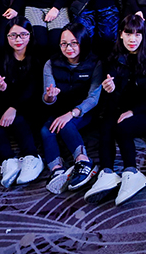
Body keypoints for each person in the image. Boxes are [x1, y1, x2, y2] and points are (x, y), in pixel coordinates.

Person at [84, 15, 146, 205]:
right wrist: (110, 90)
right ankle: (107, 172)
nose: (133, 39)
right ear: (121, 34)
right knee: (106, 124)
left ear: (143, 36)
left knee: (122, 127)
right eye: (128, 33)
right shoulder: (112, 57)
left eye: (138, 34)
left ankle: (131, 171)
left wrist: (133, 111)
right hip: (121, 107)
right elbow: (114, 95)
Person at [42, 25, 104, 194]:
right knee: (46, 130)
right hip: (59, 109)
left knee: (66, 124)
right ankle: (57, 169)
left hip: (83, 111)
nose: (68, 48)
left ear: (82, 42)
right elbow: (47, 97)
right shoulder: (51, 63)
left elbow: (94, 98)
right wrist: (50, 96)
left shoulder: (95, 63)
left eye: (74, 43)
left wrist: (72, 113)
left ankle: (83, 160)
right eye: (64, 44)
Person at [0, 19, 44, 189]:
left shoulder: (38, 57)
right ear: (7, 37)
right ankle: (8, 160)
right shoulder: (1, 58)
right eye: (13, 35)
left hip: (33, 106)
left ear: (30, 35)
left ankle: (32, 156)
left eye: (23, 35)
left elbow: (33, 89)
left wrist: (14, 108)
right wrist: (1, 89)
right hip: (10, 104)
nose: (18, 39)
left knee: (19, 118)